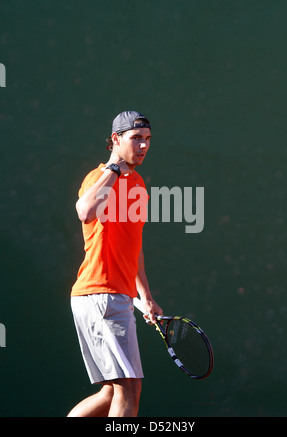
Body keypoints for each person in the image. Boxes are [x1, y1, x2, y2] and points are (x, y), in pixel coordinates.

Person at [68, 111, 162, 417]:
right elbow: (85, 212)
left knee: (112, 391)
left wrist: (145, 296)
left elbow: (134, 246)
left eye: (147, 139)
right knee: (129, 389)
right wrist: (112, 169)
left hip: (116, 297)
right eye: (136, 138)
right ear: (115, 139)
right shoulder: (99, 177)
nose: (143, 146)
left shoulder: (138, 183)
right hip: (100, 295)